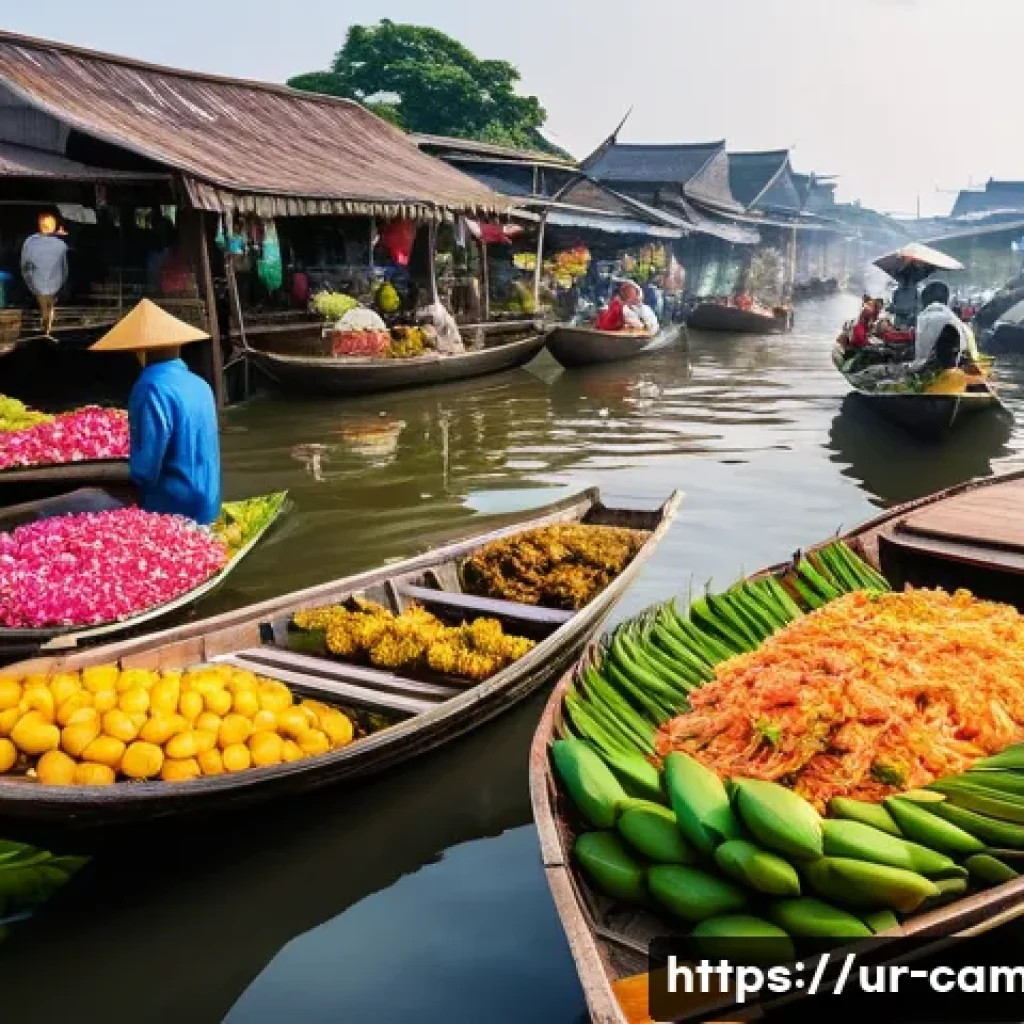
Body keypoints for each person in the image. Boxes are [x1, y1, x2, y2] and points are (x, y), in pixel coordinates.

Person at [90, 300, 221, 524]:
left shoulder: (150, 387)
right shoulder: (201, 384)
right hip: (209, 503)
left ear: (141, 351)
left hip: (174, 507)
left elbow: (145, 470)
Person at [20, 211, 68, 335]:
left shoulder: (30, 242)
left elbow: (25, 265)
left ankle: (46, 328)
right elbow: (64, 267)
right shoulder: (60, 244)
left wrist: (29, 282)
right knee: (48, 305)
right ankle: (46, 329)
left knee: (45, 305)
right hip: (51, 283)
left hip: (39, 282)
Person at [915, 281, 970, 365]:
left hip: (938, 368)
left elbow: (922, 354)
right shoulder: (953, 317)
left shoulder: (924, 317)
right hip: (958, 365)